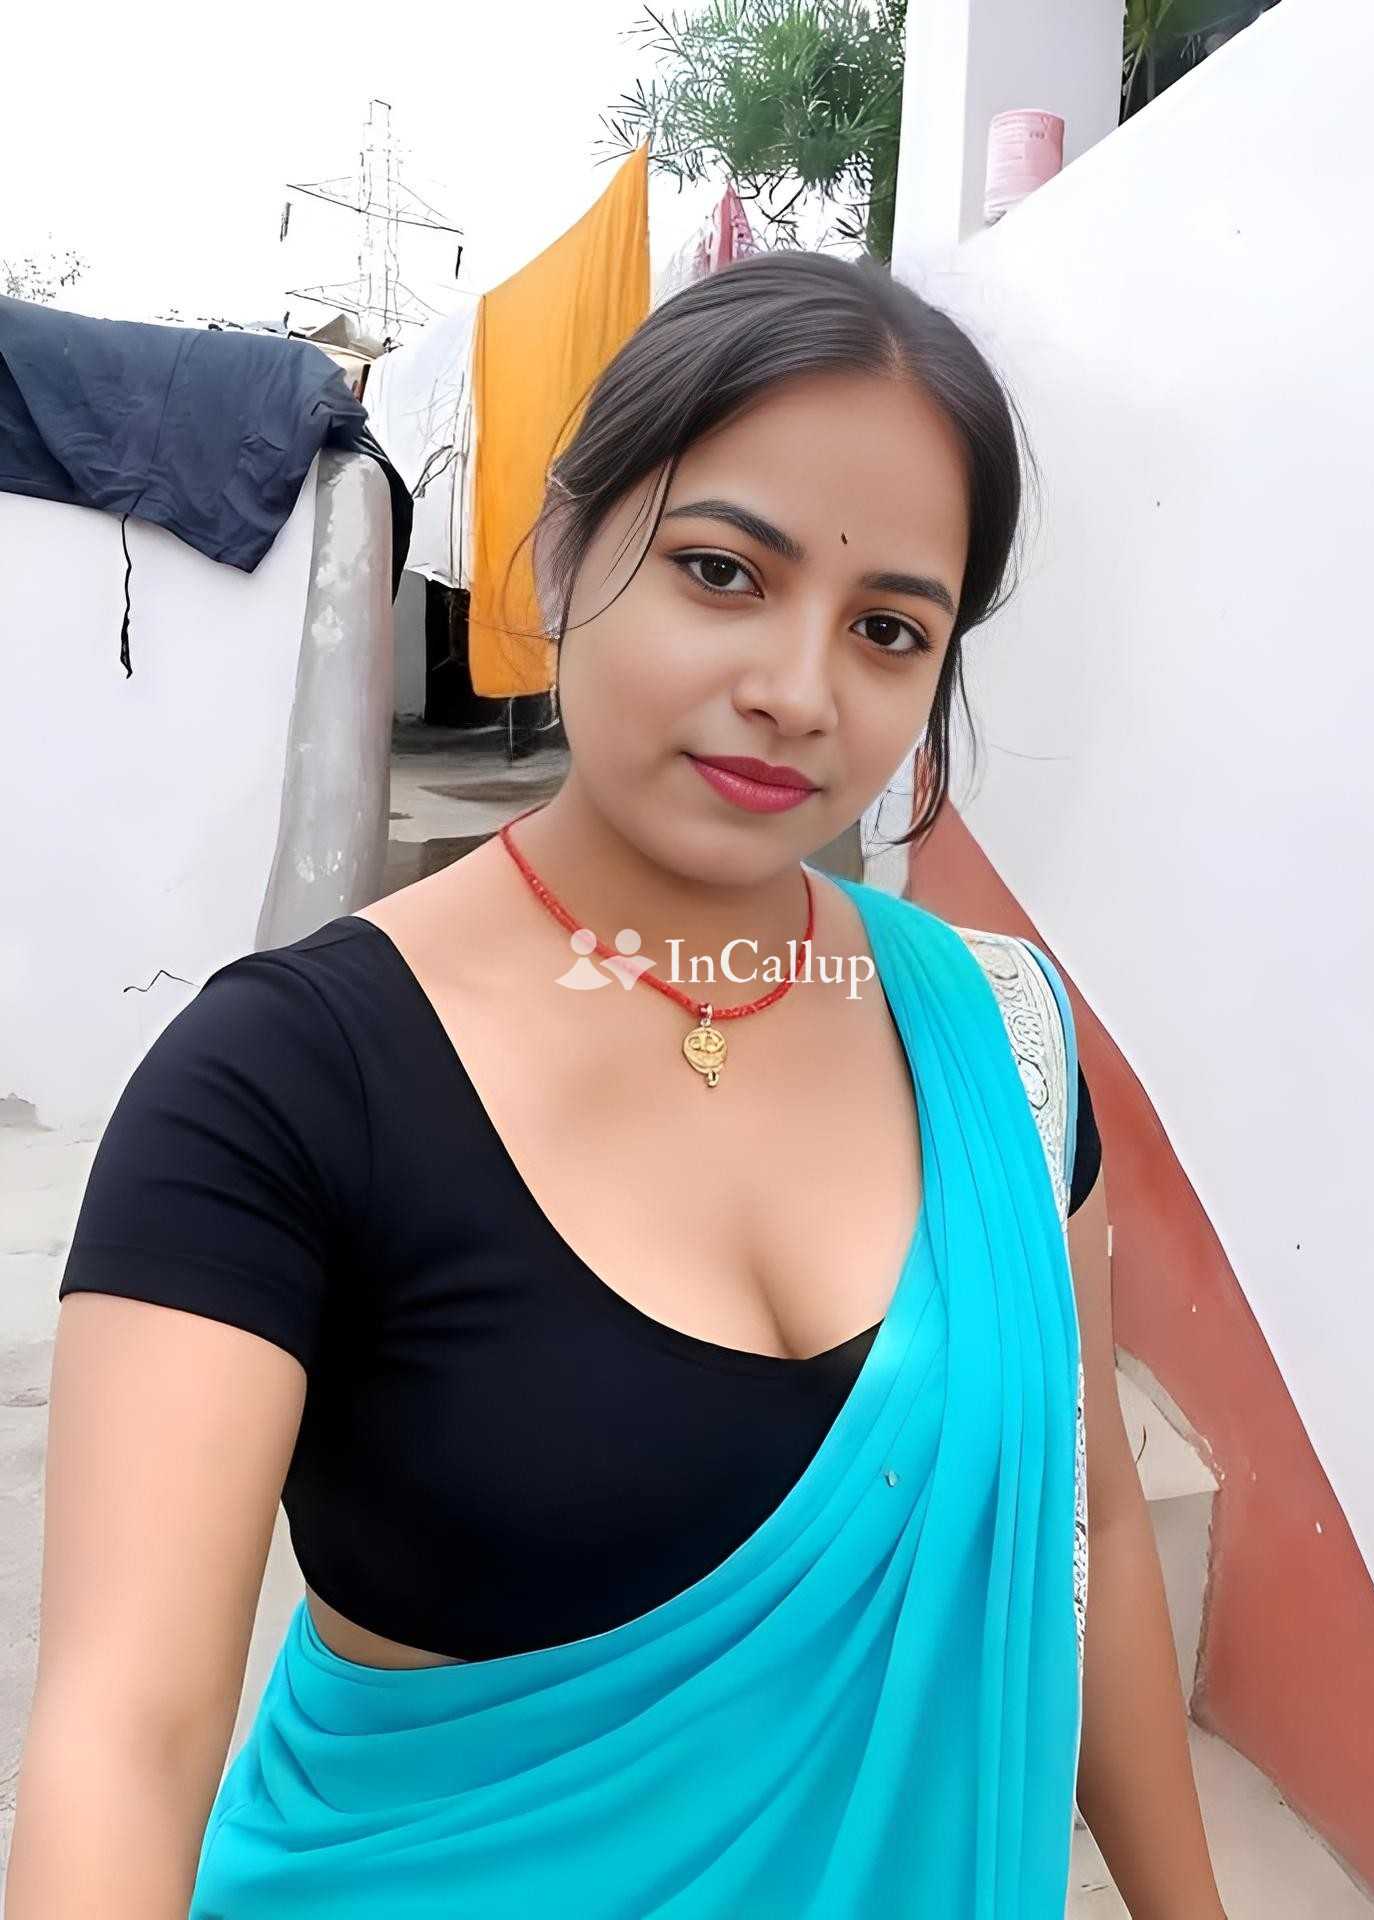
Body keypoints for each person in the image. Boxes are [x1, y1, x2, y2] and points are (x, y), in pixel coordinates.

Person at [8, 252, 1225, 1918]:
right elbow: (126, 1741)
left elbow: (1088, 1527)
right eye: (722, 571)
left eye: (886, 629)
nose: (796, 690)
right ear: (564, 547)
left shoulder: (1004, 1041)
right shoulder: (278, 1087)